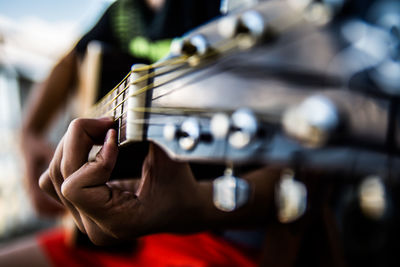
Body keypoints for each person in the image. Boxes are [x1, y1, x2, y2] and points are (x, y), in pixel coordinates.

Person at [1, 0, 271, 266]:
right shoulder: (124, 11)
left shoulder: (227, 7)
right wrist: (29, 133)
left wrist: (195, 205)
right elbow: (71, 59)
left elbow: (303, 174)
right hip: (124, 230)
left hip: (217, 233)